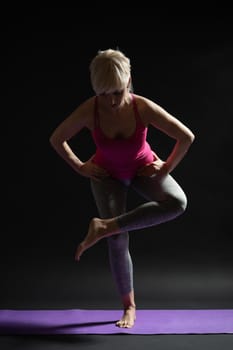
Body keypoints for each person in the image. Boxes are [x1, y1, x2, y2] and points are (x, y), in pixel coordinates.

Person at [49, 48, 195, 328]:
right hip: (106, 176)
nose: (113, 100)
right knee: (118, 240)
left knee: (178, 202)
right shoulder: (89, 110)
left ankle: (105, 225)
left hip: (142, 169)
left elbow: (186, 136)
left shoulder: (142, 107)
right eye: (105, 94)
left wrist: (164, 168)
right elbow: (57, 139)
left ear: (128, 82)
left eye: (118, 92)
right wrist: (81, 166)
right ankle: (129, 306)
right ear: (97, 90)